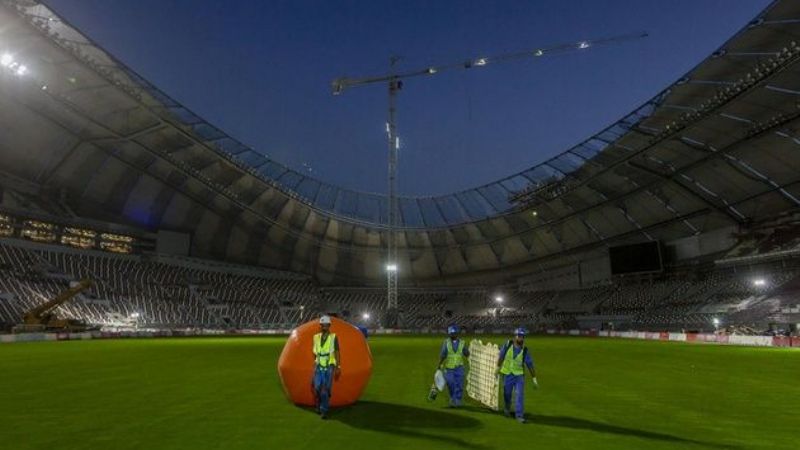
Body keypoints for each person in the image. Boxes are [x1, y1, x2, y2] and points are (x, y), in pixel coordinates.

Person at [497, 327, 538, 423]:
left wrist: (534, 379)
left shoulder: (525, 351)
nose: (521, 339)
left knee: (519, 394)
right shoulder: (507, 345)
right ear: (515, 336)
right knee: (507, 394)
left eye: (523, 337)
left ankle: (519, 415)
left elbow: (530, 365)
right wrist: (497, 369)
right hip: (507, 374)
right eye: (519, 336)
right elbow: (501, 357)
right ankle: (507, 408)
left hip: (519, 375)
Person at [312, 315, 341, 419]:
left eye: (326, 325)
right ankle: (320, 402)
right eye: (322, 325)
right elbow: (316, 352)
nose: (324, 327)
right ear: (320, 326)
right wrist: (315, 364)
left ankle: (324, 410)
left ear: (329, 326)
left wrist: (338, 366)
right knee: (316, 388)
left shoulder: (334, 337)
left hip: (329, 365)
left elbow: (337, 352)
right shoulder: (315, 337)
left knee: (325, 389)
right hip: (319, 365)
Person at [437, 324, 469, 408]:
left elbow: (467, 353)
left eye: (454, 333)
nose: (452, 335)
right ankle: (452, 398)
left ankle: (457, 400)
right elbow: (443, 355)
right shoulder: (446, 342)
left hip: (459, 368)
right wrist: (439, 365)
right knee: (450, 383)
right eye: (451, 333)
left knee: (459, 385)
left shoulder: (462, 343)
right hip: (449, 368)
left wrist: (470, 355)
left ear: (457, 333)